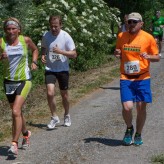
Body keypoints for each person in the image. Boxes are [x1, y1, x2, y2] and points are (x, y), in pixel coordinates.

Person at [114, 12, 160, 146]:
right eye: (129, 22)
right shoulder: (122, 36)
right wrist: (117, 53)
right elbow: (118, 52)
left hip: (143, 78)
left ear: (141, 24)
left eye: (134, 22)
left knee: (141, 108)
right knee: (127, 107)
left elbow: (157, 57)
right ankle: (129, 129)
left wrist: (148, 57)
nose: (131, 24)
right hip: (126, 77)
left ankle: (138, 133)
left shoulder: (148, 38)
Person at [0, 17, 38, 156]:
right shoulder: (1, 42)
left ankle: (14, 144)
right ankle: (26, 134)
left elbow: (35, 50)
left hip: (24, 80)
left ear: (19, 30)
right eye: (8, 29)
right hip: (8, 81)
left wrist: (34, 62)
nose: (11, 31)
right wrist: (1, 57)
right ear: (5, 30)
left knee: (15, 111)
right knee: (17, 112)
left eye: (13, 28)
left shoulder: (25, 40)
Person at [41, 15, 77, 129]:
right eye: (51, 26)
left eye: (56, 26)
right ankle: (54, 117)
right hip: (50, 69)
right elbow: (43, 47)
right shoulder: (46, 35)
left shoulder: (66, 36)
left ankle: (66, 115)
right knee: (50, 93)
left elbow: (74, 54)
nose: (54, 29)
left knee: (64, 95)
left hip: (63, 69)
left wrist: (61, 51)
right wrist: (43, 55)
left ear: (60, 25)